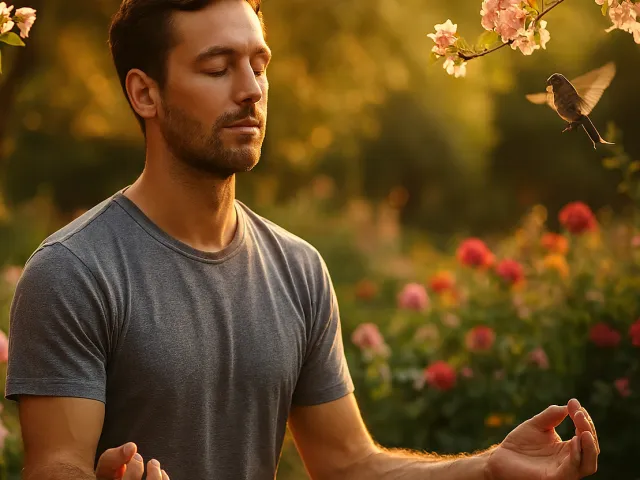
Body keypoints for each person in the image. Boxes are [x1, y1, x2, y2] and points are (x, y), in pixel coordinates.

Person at [5, 0, 600, 479]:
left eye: (259, 66)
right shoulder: (75, 270)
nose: (252, 91)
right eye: (218, 68)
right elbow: (54, 465)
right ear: (145, 94)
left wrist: (492, 468)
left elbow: (348, 463)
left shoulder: (297, 269)